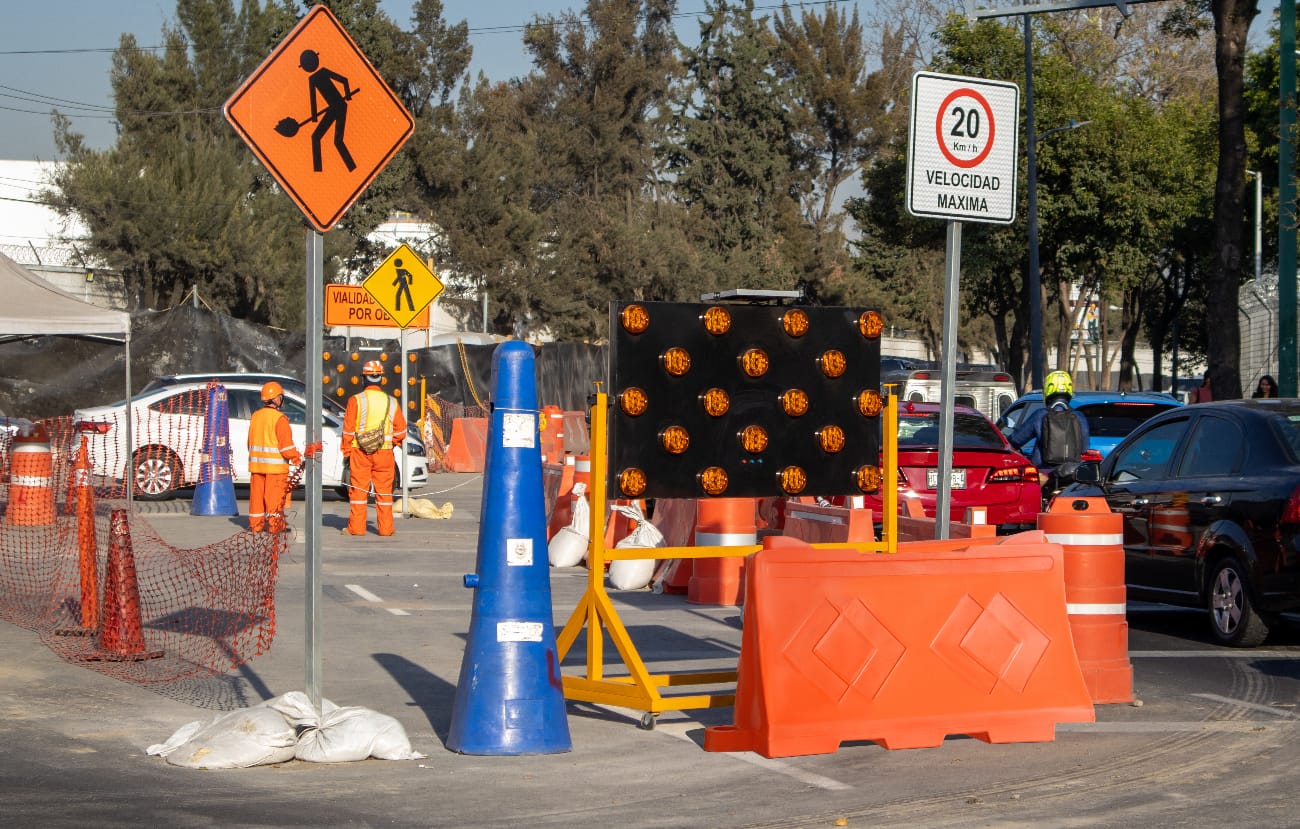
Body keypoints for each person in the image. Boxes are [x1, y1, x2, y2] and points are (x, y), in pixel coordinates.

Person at [343, 360, 407, 536]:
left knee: (359, 491)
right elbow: (401, 431)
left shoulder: (355, 400)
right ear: (381, 379)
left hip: (360, 453)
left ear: (364, 379)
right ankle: (386, 529)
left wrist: (347, 453)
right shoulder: (392, 402)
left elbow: (348, 431)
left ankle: (356, 528)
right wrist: (391, 444)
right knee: (385, 493)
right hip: (385, 453)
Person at [1008, 370, 1091, 497]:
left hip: (1044, 474)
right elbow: (1085, 447)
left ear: (1047, 390)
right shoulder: (1079, 417)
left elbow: (1015, 440)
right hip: (1072, 474)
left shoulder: (1040, 415)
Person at [248, 381, 302, 533]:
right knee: (274, 499)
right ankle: (275, 526)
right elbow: (286, 447)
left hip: (257, 467)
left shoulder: (256, 416)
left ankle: (256, 525)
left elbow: (249, 442)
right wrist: (297, 458)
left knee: (256, 498)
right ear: (277, 399)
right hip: (275, 469)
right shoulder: (280, 419)